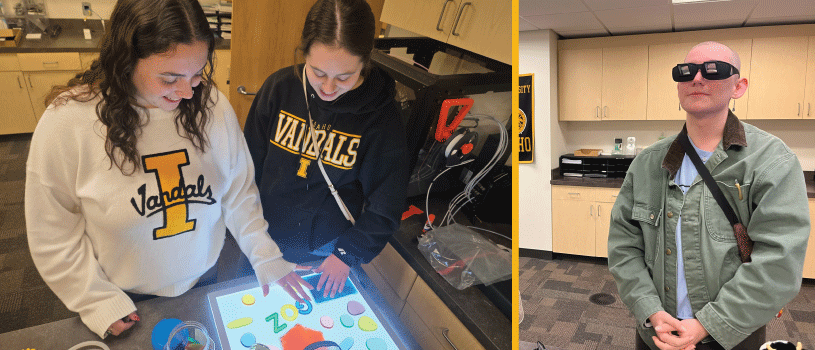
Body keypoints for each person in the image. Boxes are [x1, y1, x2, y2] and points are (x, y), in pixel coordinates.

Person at [24, 0, 311, 340]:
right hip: (123, 298)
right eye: (170, 78)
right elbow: (52, 231)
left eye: (197, 74)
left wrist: (265, 255)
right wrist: (95, 299)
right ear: (126, 60)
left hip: (204, 279)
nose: (188, 92)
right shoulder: (68, 121)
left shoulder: (211, 106)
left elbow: (238, 192)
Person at [607, 41, 811, 350]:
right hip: (656, 333)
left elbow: (778, 263)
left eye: (714, 70)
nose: (697, 78)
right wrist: (650, 310)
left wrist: (707, 325)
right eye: (685, 71)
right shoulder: (647, 164)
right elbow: (624, 247)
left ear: (738, 86)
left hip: (731, 335)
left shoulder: (772, 161)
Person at [244, 0, 409, 299]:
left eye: (344, 77)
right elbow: (245, 171)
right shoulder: (279, 89)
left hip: (325, 252)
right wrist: (254, 240)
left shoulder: (382, 117)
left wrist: (347, 254)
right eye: (317, 73)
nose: (329, 88)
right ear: (304, 55)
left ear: (364, 63)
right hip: (263, 238)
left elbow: (387, 204)